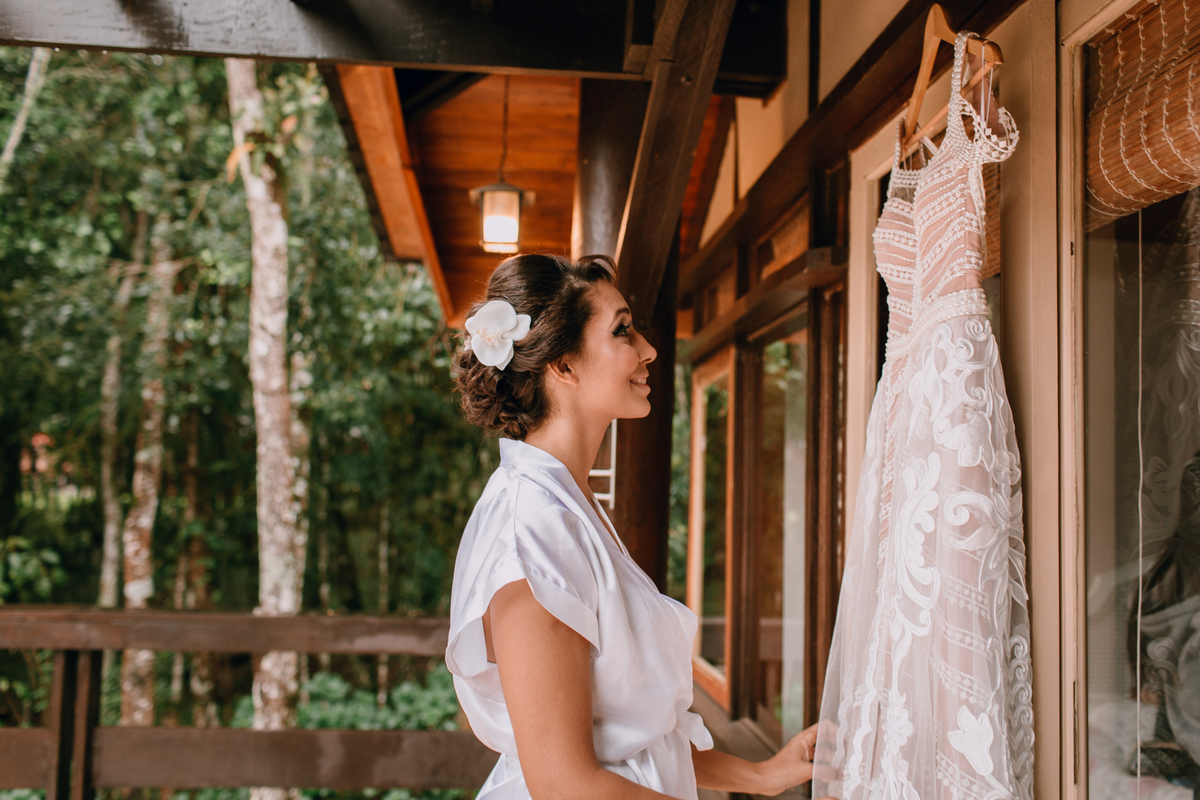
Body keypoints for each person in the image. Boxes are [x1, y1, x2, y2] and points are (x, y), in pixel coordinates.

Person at [446, 253, 817, 800]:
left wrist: (762, 775)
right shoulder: (531, 534)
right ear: (564, 366)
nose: (649, 349)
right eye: (623, 331)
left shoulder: (572, 506)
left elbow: (628, 738)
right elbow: (566, 785)